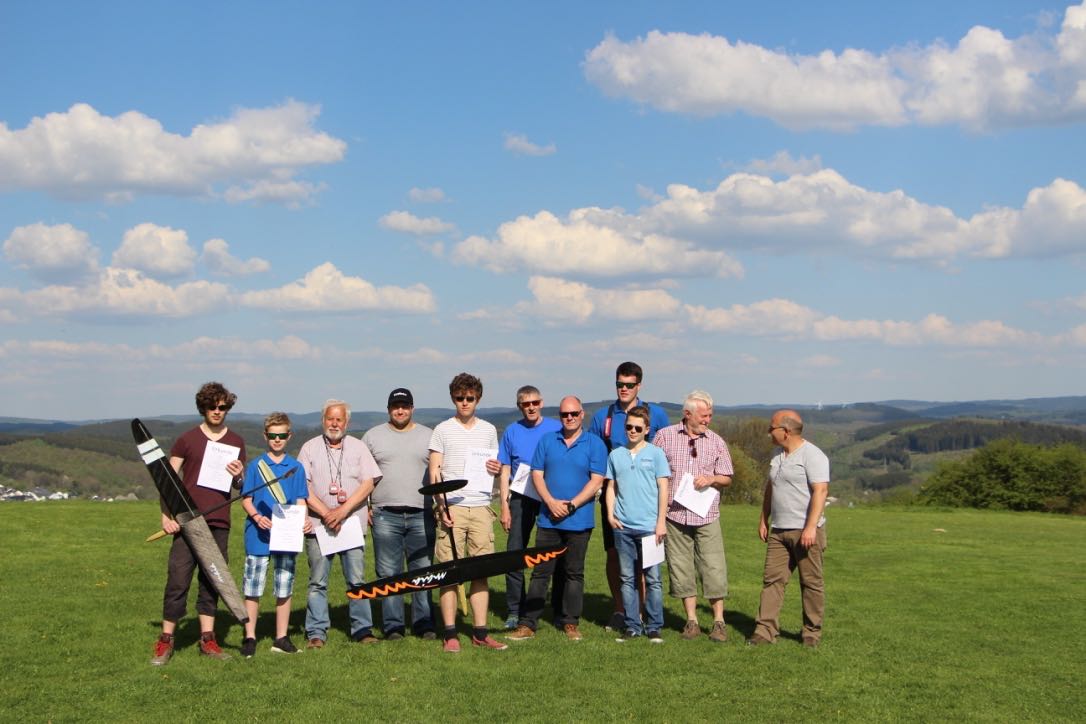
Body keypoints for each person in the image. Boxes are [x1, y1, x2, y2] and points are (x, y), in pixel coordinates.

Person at [150, 381, 246, 665]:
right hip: (187, 522)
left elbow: (240, 486)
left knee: (212, 581)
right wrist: (166, 517)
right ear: (202, 408)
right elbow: (167, 482)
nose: (217, 411)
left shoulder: (236, 442)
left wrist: (239, 476)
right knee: (177, 580)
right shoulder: (186, 440)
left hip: (218, 522)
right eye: (211, 406)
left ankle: (208, 640)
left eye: (222, 407)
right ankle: (166, 640)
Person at [507, 396, 606, 642]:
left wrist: (572, 504)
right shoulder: (547, 440)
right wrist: (550, 502)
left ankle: (570, 622)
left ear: (582, 414)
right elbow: (537, 474)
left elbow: (596, 481)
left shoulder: (594, 444)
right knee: (541, 572)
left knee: (574, 572)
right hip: (548, 518)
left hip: (579, 519)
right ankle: (528, 623)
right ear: (559, 416)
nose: (569, 418)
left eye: (573, 413)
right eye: (564, 414)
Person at [588, 361, 670, 631]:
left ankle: (646, 612)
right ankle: (621, 610)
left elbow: (666, 450)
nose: (624, 389)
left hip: (647, 501)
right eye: (619, 384)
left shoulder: (656, 414)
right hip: (615, 498)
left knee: (647, 563)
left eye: (629, 385)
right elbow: (593, 452)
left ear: (639, 385)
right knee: (615, 556)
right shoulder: (603, 416)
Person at [428, 372, 507, 652]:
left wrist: (496, 468)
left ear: (478, 399)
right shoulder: (442, 430)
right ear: (453, 398)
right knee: (449, 573)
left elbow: (495, 466)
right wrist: (441, 507)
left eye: (470, 398)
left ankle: (480, 632)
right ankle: (450, 633)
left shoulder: (488, 430)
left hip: (482, 506)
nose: (464, 402)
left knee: (481, 572)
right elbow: (434, 471)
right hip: (453, 508)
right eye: (459, 398)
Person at [299, 399, 382, 648]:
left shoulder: (358, 447)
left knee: (357, 579)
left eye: (339, 419)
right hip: (318, 524)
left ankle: (362, 630)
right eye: (330, 419)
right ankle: (316, 632)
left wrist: (342, 511)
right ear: (323, 420)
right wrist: (327, 513)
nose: (334, 424)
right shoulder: (309, 448)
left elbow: (368, 483)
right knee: (317, 581)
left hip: (351, 524)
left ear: (347, 422)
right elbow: (302, 486)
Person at [653, 390, 733, 643]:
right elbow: (653, 471)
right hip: (674, 514)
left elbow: (727, 477)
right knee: (680, 567)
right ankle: (692, 621)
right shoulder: (664, 437)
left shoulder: (716, 441)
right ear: (687, 414)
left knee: (713, 567)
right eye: (703, 416)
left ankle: (719, 622)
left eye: (710, 415)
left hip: (707, 514)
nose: (708, 420)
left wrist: (711, 478)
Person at [748, 409, 830, 648]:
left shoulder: (813, 455)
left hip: (805, 531)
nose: (768, 432)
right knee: (772, 580)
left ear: (785, 431)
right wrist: (764, 518)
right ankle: (764, 631)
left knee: (811, 583)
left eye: (771, 428)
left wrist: (810, 527)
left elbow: (821, 491)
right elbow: (770, 488)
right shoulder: (777, 456)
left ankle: (811, 633)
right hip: (779, 530)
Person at [362, 387, 437, 641]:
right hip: (385, 513)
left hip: (421, 513)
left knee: (423, 570)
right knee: (388, 573)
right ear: (389, 410)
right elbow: (362, 475)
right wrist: (365, 506)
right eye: (396, 407)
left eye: (405, 406)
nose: (400, 410)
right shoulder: (372, 437)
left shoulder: (429, 436)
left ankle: (424, 623)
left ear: (412, 409)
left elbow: (440, 471)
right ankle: (393, 626)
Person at [239, 412, 311, 657]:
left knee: (284, 585)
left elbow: (300, 499)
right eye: (272, 436)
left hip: (286, 535)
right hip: (257, 535)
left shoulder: (296, 467)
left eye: (281, 436)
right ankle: (250, 636)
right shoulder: (256, 466)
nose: (277, 440)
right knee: (253, 586)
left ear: (289, 436)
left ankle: (281, 637)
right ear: (265, 436)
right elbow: (246, 499)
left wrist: (304, 520)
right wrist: (257, 517)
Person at [497, 385, 562, 629]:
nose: (531, 407)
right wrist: (504, 507)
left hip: (549, 496)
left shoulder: (556, 427)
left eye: (535, 402)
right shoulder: (512, 431)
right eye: (526, 404)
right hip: (520, 498)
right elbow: (504, 470)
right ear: (519, 406)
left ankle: (557, 607)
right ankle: (515, 610)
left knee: (554, 553)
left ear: (541, 403)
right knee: (515, 554)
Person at [605, 405, 670, 643]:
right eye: (629, 427)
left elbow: (663, 488)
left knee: (653, 579)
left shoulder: (656, 454)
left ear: (647, 430)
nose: (632, 431)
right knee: (627, 578)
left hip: (650, 528)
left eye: (637, 428)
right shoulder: (616, 455)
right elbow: (611, 487)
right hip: (623, 527)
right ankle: (632, 625)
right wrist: (610, 515)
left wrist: (660, 522)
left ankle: (654, 626)